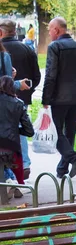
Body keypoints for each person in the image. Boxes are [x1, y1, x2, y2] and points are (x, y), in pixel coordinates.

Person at [42, 17, 76, 179]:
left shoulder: (55, 47)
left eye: (50, 29)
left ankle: (74, 157)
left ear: (57, 30)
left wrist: (46, 99)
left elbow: (50, 75)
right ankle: (62, 169)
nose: (49, 33)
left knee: (55, 133)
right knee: (69, 133)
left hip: (58, 98)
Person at [0, 18, 41, 180]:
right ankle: (21, 166)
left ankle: (8, 175)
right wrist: (20, 85)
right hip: (14, 100)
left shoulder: (6, 55)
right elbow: (36, 76)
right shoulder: (21, 50)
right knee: (17, 132)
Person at [0, 76, 34, 195]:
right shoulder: (18, 103)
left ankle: (9, 182)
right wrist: (16, 130)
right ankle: (19, 183)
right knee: (16, 157)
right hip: (11, 145)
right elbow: (29, 131)